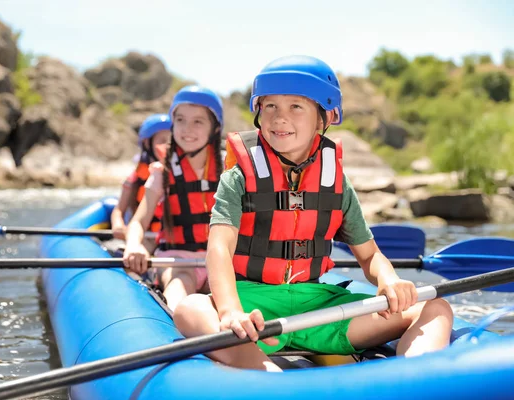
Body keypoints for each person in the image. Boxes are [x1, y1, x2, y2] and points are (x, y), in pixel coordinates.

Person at [173, 55, 454, 371]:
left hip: (319, 310)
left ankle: (417, 377)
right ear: (258, 114)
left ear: (323, 118)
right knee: (190, 309)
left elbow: (369, 255)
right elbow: (219, 248)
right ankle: (262, 371)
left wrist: (389, 279)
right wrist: (230, 311)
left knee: (435, 307)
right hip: (253, 311)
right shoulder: (238, 178)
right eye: (270, 107)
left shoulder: (335, 182)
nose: (280, 118)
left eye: (296, 107)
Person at [123, 86, 224, 311]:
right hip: (176, 262)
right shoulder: (162, 172)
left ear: (215, 128)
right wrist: (133, 246)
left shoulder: (230, 169)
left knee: (224, 294)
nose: (187, 129)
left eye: (198, 121)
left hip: (219, 262)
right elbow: (139, 221)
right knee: (179, 292)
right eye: (180, 120)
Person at [110, 114, 171, 244]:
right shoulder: (135, 178)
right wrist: (118, 224)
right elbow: (119, 209)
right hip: (144, 237)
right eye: (161, 141)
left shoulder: (181, 174)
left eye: (171, 141)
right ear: (147, 144)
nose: (166, 146)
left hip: (171, 241)